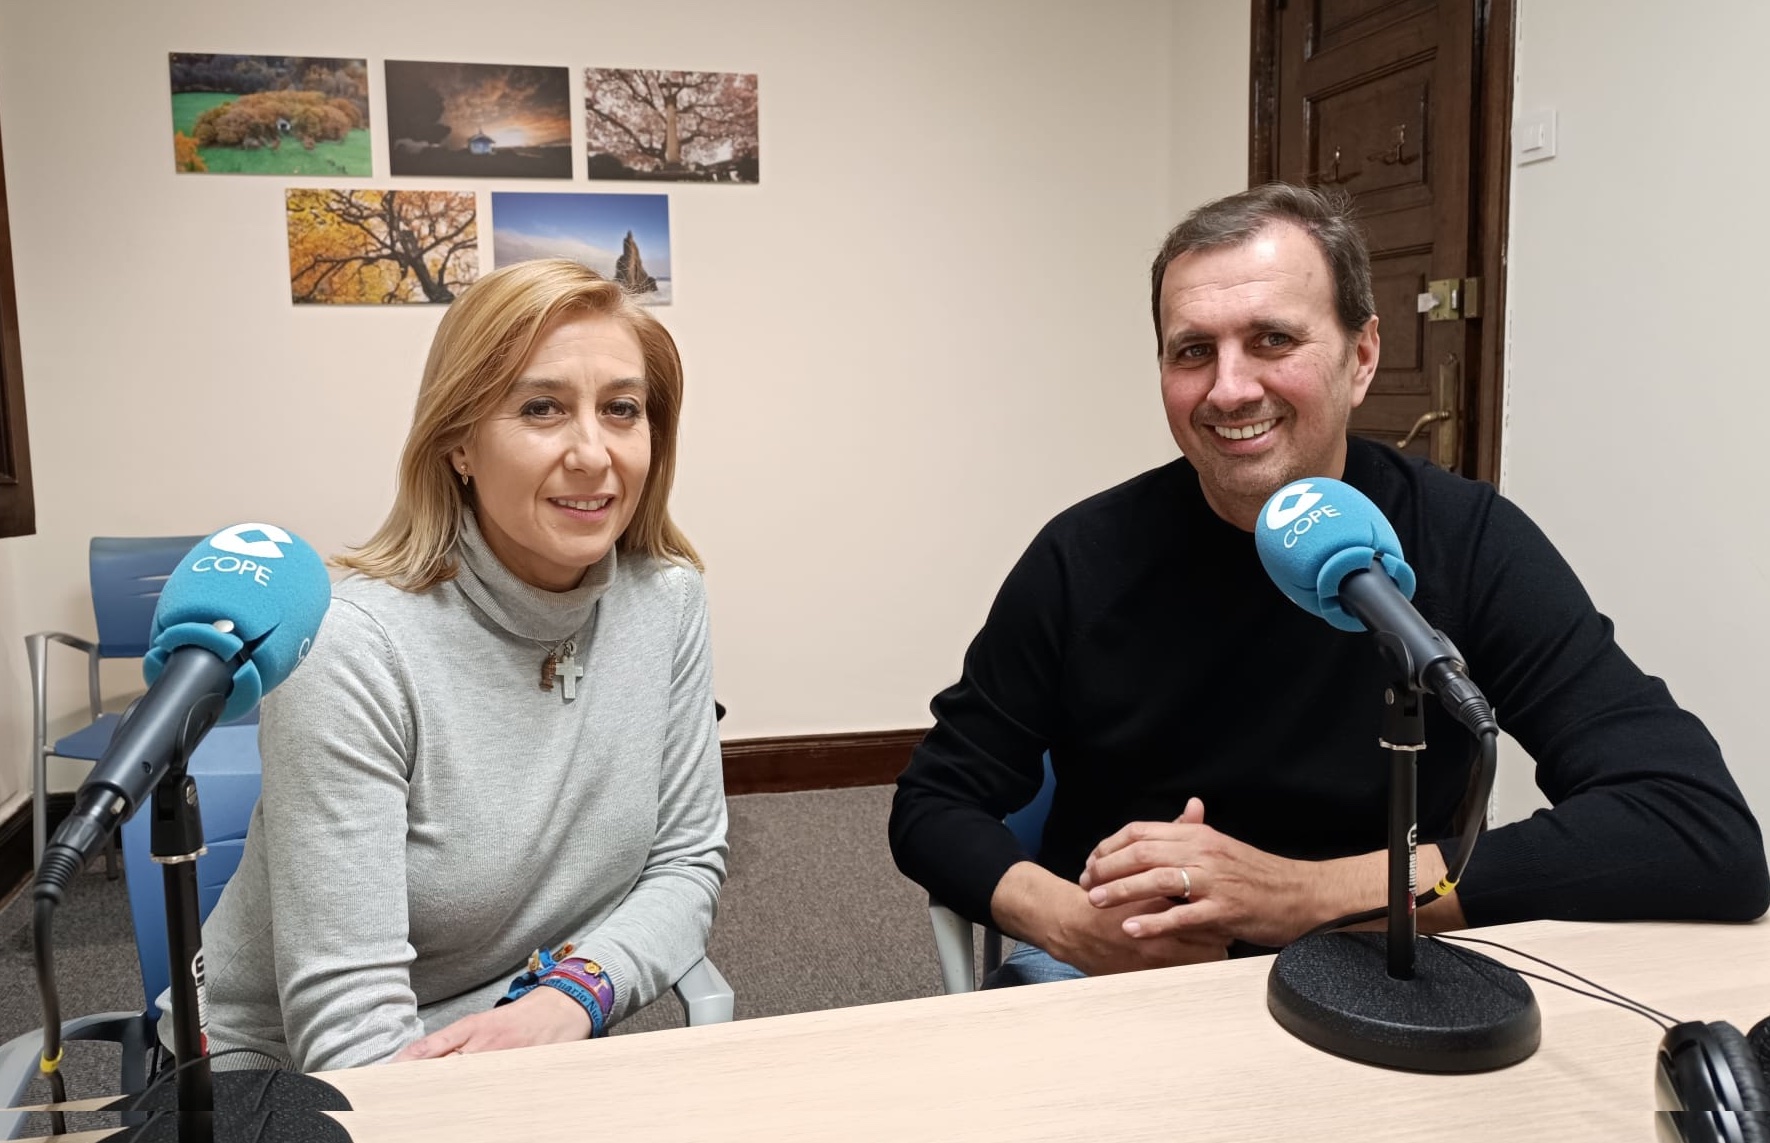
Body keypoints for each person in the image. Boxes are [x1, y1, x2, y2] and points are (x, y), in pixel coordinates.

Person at [888, 183, 1768, 987]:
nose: (1230, 389)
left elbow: (1695, 827)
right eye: (1193, 351)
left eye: (1273, 340)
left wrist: (1296, 896)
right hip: (1133, 962)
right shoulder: (1080, 557)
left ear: (1363, 355)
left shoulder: (1466, 539)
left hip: (1387, 948)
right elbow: (935, 802)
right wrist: (1073, 924)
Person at [197, 259, 728, 1070]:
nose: (594, 453)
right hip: (298, 1073)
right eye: (541, 407)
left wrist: (571, 997)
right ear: (459, 443)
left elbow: (685, 864)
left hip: (534, 1043)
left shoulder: (668, 602)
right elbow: (350, 1038)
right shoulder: (352, 647)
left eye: (622, 409)